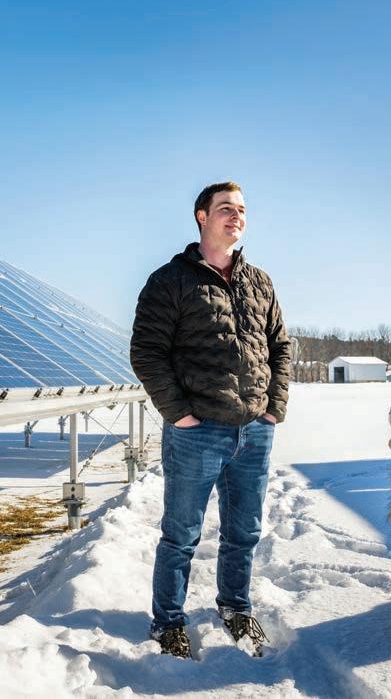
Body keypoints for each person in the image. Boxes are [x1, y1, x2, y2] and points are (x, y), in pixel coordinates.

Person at [130, 181, 291, 659]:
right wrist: (178, 413)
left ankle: (236, 608)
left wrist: (274, 408)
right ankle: (168, 622)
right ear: (202, 217)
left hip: (253, 431)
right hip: (197, 431)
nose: (235, 216)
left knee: (244, 532)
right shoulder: (170, 280)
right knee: (181, 534)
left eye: (241, 209)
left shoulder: (260, 282)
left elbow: (281, 347)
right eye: (225, 208)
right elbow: (147, 352)